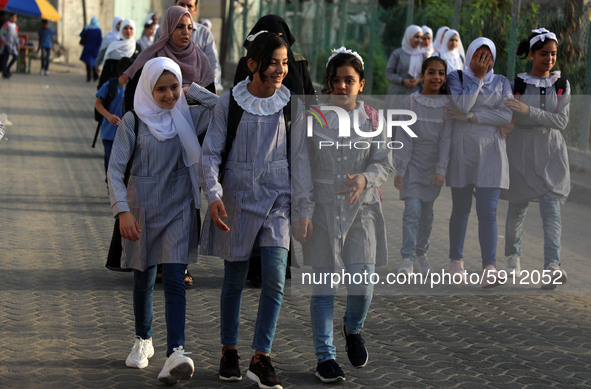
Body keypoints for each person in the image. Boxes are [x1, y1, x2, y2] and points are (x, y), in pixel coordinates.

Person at [107, 56, 216, 385]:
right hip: (142, 210)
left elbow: (223, 107)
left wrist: (192, 90)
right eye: (161, 89)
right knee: (143, 277)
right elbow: (114, 171)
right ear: (147, 89)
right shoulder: (133, 121)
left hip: (180, 206)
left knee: (174, 279)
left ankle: (176, 351)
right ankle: (144, 339)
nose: (169, 95)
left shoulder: (190, 116)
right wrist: (122, 211)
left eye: (173, 87)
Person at [291, 47, 392, 383]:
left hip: (361, 210)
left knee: (363, 284)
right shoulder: (312, 118)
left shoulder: (374, 120)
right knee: (325, 287)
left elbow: (384, 162)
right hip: (321, 211)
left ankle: (352, 327)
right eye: (335, 81)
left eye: (349, 80)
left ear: (361, 84)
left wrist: (366, 178)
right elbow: (301, 167)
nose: (342, 86)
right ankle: (325, 358)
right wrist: (303, 210)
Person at [199, 32, 291, 389]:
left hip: (278, 200)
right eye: (273, 62)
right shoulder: (229, 103)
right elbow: (211, 152)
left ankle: (261, 356)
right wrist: (214, 193)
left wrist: (306, 207)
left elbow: (299, 158)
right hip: (236, 197)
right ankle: (229, 351)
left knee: (274, 277)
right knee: (234, 280)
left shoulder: (289, 105)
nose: (281, 69)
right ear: (253, 64)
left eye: (284, 62)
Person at [233, 14, 316, 288]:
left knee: (281, 206)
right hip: (253, 145)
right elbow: (236, 96)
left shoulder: (297, 61)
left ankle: (280, 266)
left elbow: (308, 97)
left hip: (288, 137)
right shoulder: (252, 60)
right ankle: (252, 266)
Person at [501, 28, 570, 290]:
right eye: (543, 54)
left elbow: (561, 121)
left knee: (551, 210)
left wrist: (529, 111)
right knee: (517, 208)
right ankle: (512, 258)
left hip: (552, 150)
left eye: (553, 54)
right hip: (520, 149)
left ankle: (552, 266)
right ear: (531, 54)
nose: (549, 59)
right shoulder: (517, 84)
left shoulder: (562, 84)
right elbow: (509, 115)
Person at [445, 37, 513, 287]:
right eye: (478, 56)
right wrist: (478, 79)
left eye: (488, 57)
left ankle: (489, 268)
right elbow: (461, 103)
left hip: (492, 154)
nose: (483, 61)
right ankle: (456, 262)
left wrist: (472, 117)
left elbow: (506, 114)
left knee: (488, 210)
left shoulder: (503, 81)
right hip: (463, 152)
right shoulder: (457, 78)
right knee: (461, 208)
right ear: (470, 55)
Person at [394, 56, 452, 276]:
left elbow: (446, 140)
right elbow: (404, 136)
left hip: (433, 169)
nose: (436, 77)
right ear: (421, 76)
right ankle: (407, 258)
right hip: (412, 166)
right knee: (412, 212)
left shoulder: (447, 106)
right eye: (431, 72)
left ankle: (421, 254)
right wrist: (400, 169)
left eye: (441, 73)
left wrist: (441, 170)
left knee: (427, 215)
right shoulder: (410, 102)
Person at [121, 5, 214, 112]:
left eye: (189, 27)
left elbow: (211, 98)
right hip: (154, 122)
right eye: (179, 26)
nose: (186, 32)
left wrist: (190, 92)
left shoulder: (201, 59)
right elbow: (132, 99)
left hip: (194, 123)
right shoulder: (151, 56)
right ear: (168, 27)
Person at [155, 0, 222, 92]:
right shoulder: (162, 31)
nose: (185, 8)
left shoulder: (204, 34)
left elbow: (212, 64)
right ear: (175, 5)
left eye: (189, 6)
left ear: (195, 9)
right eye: (182, 4)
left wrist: (212, 88)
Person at [95, 57, 132, 179]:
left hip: (125, 133)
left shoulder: (133, 89)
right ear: (124, 72)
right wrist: (108, 116)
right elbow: (98, 104)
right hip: (109, 133)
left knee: (124, 163)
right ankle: (110, 184)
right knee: (109, 161)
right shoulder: (109, 85)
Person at [385, 25, 425, 95]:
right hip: (397, 94)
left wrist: (418, 80)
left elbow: (426, 74)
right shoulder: (398, 54)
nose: (419, 40)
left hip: (415, 94)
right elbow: (388, 73)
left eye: (421, 38)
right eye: (416, 37)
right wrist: (403, 81)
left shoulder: (423, 56)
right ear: (409, 37)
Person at [80, 17, 103, 82]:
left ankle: (89, 77)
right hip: (95, 49)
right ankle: (95, 76)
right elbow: (100, 40)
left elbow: (81, 35)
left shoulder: (87, 29)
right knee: (94, 63)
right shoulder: (98, 30)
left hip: (87, 48)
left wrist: (85, 28)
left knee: (88, 63)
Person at [0, 13, 18, 79]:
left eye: (15, 18)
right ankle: (4, 73)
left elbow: (16, 36)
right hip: (6, 45)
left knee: (15, 56)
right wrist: (4, 41)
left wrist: (17, 44)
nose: (14, 19)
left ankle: (8, 68)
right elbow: (2, 33)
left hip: (13, 45)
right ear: (10, 18)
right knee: (5, 59)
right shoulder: (6, 24)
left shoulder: (16, 26)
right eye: (13, 17)